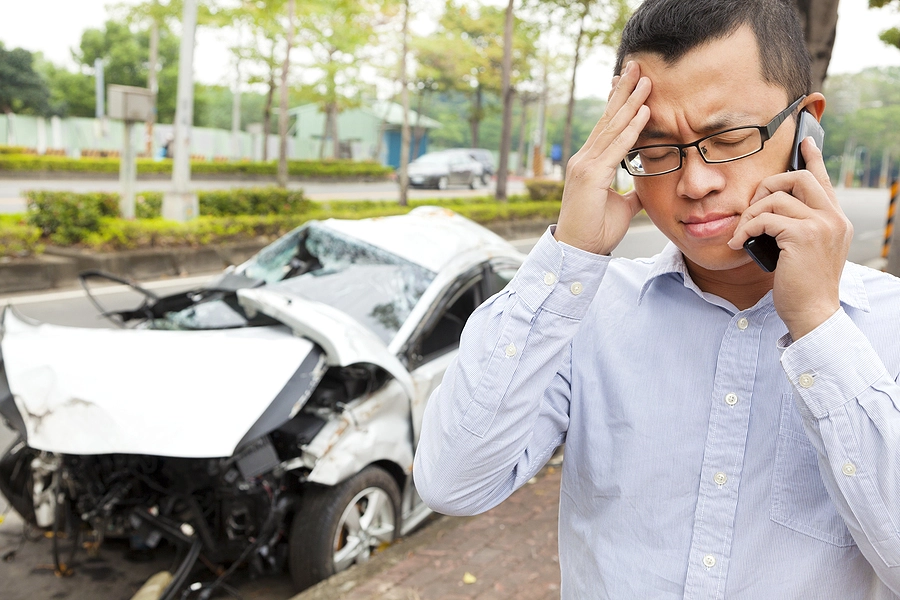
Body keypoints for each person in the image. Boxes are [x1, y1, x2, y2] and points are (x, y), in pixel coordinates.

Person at [412, 0, 900, 598]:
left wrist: (820, 328)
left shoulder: (888, 325)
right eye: (656, 147)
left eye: (728, 137)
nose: (695, 183)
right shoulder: (583, 311)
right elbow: (453, 481)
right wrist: (569, 254)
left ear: (806, 127)